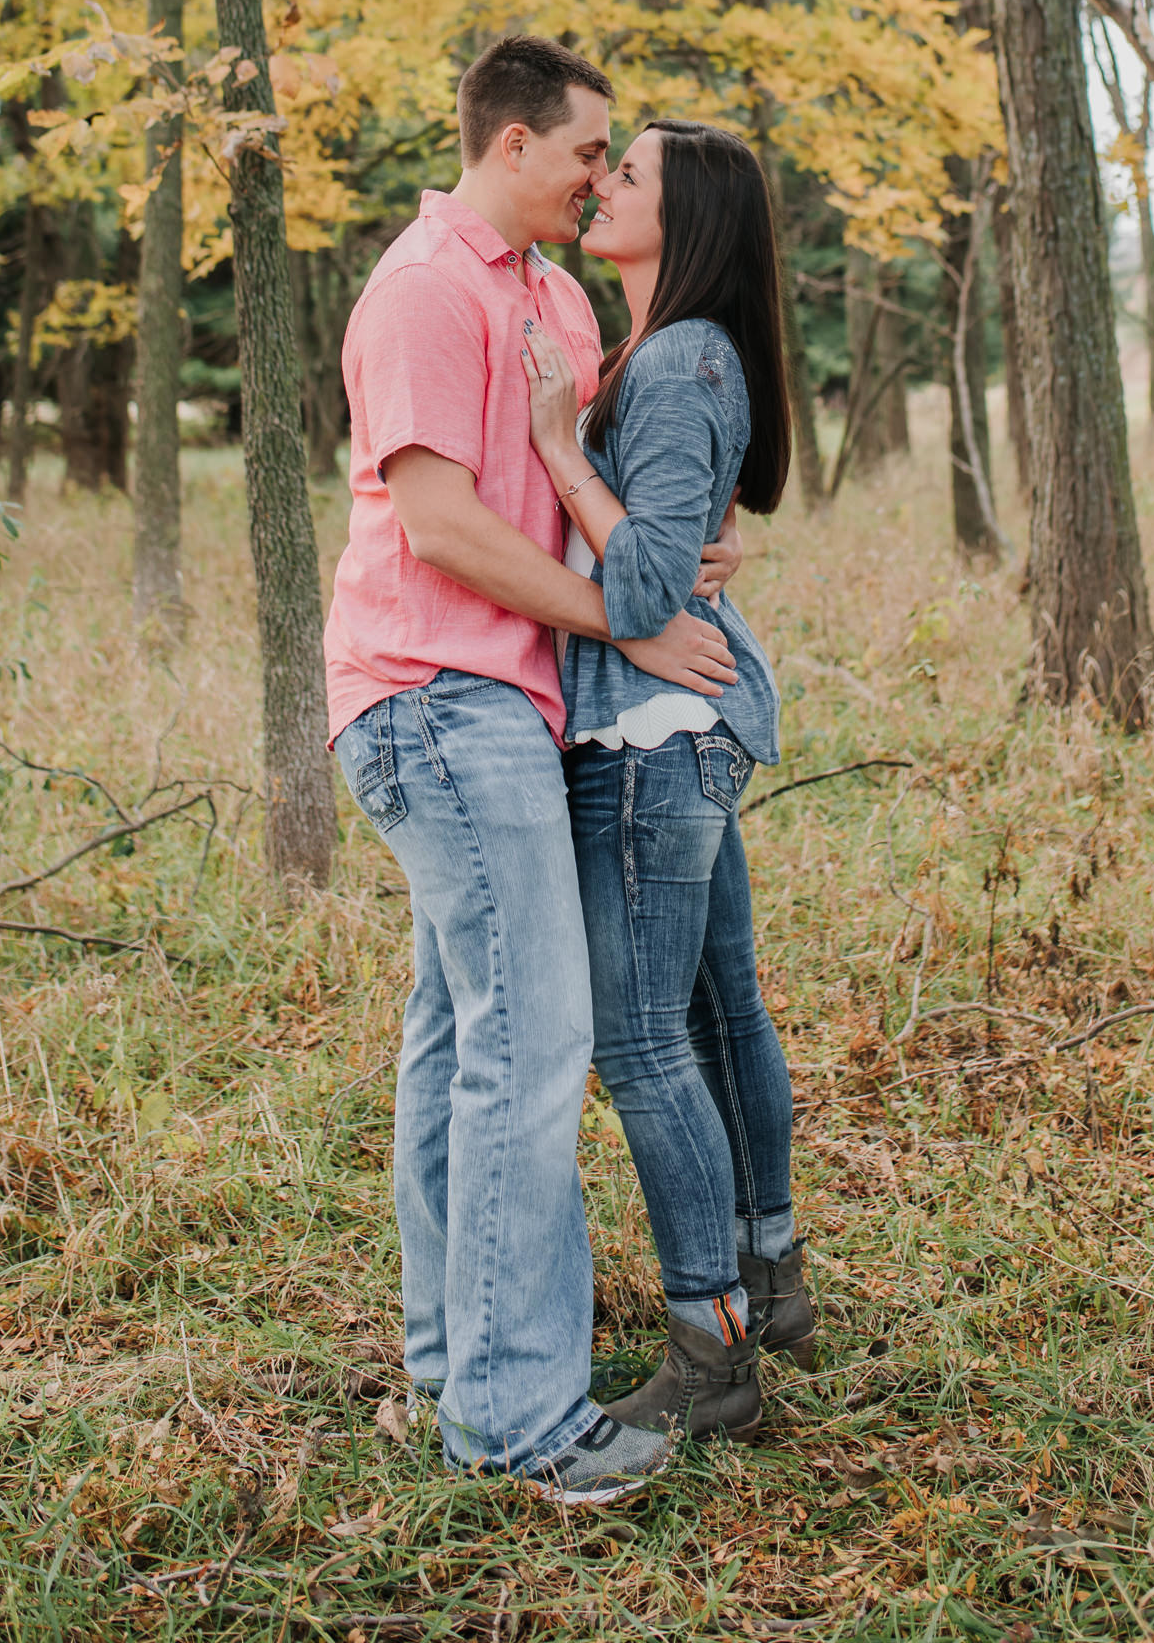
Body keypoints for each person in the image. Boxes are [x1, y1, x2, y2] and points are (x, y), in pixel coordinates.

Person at [324, 36, 743, 1505]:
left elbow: (590, 488)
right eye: (584, 152)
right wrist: (626, 620)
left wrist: (676, 555)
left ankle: (456, 1360)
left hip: (513, 705)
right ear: (511, 148)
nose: (596, 176)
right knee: (534, 1040)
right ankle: (519, 1421)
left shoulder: (554, 295)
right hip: (435, 699)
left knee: (461, 1036)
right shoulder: (423, 292)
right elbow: (441, 528)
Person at [523, 118, 817, 1442]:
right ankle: (771, 1277)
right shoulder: (663, 355)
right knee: (713, 1014)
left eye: (625, 174)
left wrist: (562, 452)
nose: (600, 185)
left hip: (654, 738)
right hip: (681, 723)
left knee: (646, 1040)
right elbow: (671, 547)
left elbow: (640, 588)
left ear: (682, 220)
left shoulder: (679, 358)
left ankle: (713, 1352)